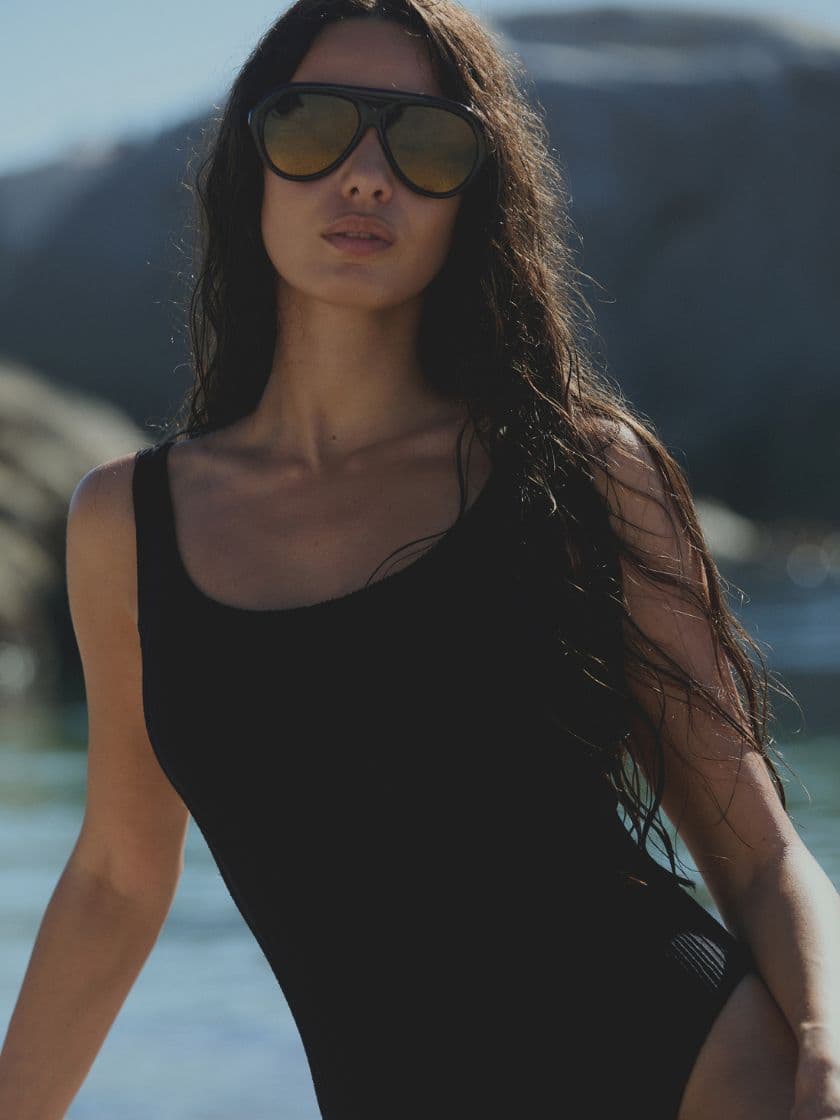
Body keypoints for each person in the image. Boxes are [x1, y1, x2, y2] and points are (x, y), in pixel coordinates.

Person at [2, 1, 839, 1118]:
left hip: (694, 1078)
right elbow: (114, 877)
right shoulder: (129, 521)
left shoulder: (579, 471)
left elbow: (754, 847)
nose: (364, 175)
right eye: (312, 128)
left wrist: (828, 1044)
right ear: (251, 162)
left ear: (473, 197)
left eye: (426, 142)